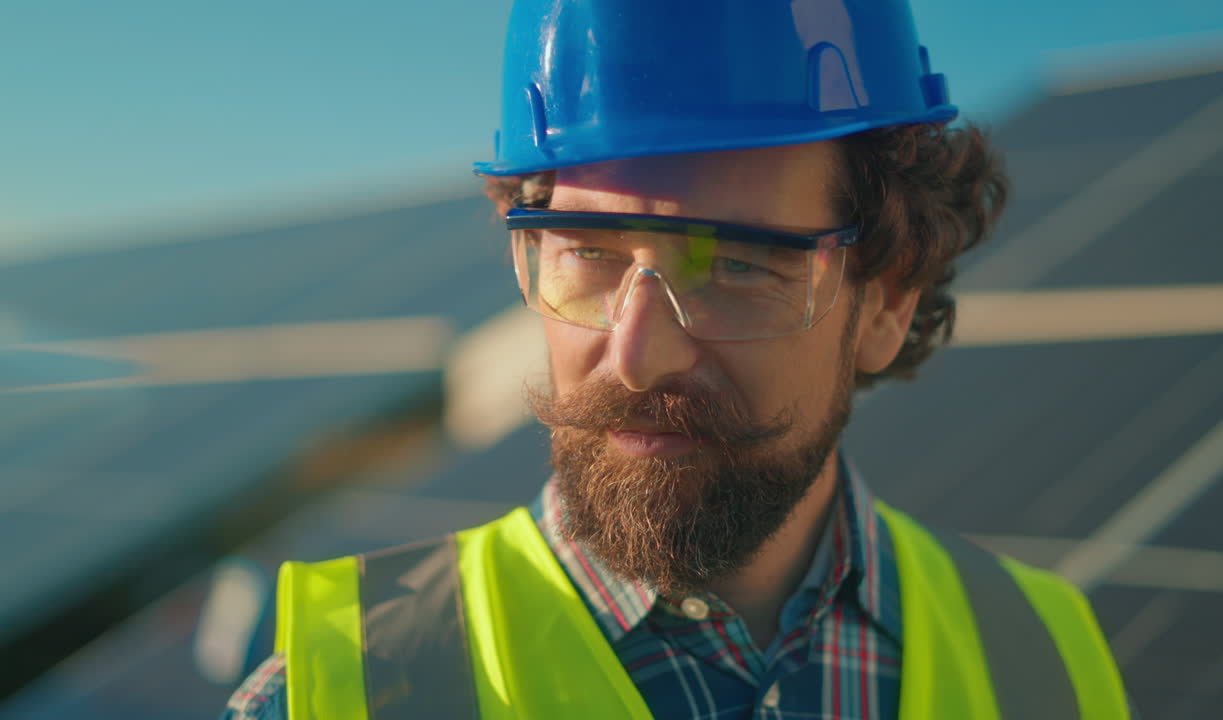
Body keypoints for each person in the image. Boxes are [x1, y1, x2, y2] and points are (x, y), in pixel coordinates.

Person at [224, 0, 1133, 717]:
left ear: (887, 301)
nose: (637, 356)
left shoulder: (1050, 667)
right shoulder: (329, 696)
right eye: (587, 252)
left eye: (738, 264)